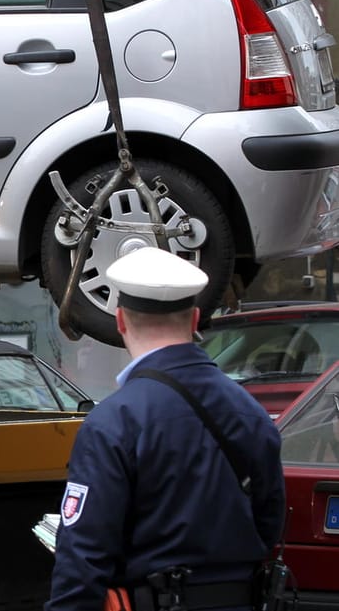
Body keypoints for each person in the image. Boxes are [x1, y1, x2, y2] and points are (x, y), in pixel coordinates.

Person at [47, 246, 285, 611]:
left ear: (121, 320)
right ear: (194, 320)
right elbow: (269, 524)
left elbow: (83, 555)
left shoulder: (114, 421)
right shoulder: (250, 410)